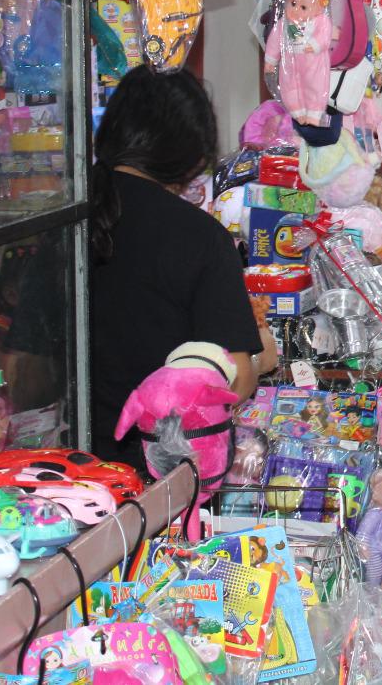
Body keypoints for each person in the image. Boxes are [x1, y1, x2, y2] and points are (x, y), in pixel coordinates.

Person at [89, 66, 279, 467]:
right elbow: (235, 381)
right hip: (160, 471)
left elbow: (24, 370)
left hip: (60, 468)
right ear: (191, 154)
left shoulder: (65, 217)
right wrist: (262, 352)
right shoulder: (200, 236)